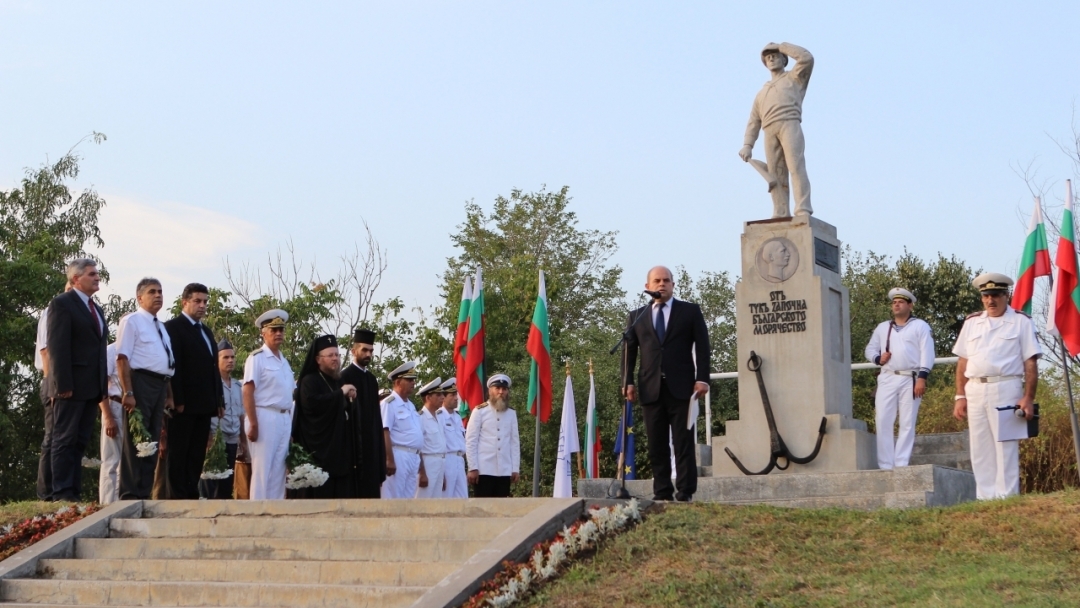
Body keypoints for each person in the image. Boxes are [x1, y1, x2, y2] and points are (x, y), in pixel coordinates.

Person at [624, 266, 710, 502]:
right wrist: (628, 381)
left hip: (683, 388)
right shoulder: (637, 316)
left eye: (666, 280)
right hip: (651, 389)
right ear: (648, 287)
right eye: (657, 281)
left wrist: (702, 378)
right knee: (656, 445)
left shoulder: (689, 311)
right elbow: (629, 352)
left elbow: (703, 346)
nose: (662, 284)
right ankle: (662, 492)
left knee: (683, 443)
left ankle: (685, 492)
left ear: (673, 285)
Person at [953, 273, 1040, 500]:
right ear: (982, 298)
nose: (990, 300)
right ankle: (985, 499)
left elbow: (1030, 362)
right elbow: (962, 362)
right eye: (986, 296)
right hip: (975, 388)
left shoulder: (1021, 321)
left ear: (1006, 295)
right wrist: (959, 395)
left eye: (996, 295)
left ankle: (1007, 498)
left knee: (1006, 447)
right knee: (980, 448)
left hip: (1007, 387)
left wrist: (1028, 397)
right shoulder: (972, 323)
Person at [45, 259, 108, 502]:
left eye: (97, 273)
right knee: (64, 439)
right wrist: (63, 385)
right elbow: (58, 348)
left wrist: (102, 387)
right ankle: (60, 492)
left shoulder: (96, 309)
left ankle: (74, 491)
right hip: (70, 387)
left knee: (80, 441)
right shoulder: (62, 304)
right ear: (76, 279)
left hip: (91, 388)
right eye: (92, 274)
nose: (97, 277)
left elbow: (99, 351)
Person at [739, 42, 814, 218]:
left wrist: (782, 46)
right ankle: (780, 211)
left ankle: (802, 207)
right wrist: (748, 144)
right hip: (769, 129)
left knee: (795, 166)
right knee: (775, 174)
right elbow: (753, 121)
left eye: (775, 55)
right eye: (768, 57)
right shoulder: (761, 93)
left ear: (784, 58)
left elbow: (806, 58)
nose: (771, 58)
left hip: (789, 123)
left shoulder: (794, 78)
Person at [116, 278, 175, 500]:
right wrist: (128, 392)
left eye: (160, 291)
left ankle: (144, 493)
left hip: (160, 385)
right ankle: (130, 494)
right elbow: (122, 358)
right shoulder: (132, 321)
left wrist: (169, 394)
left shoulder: (160, 326)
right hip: (140, 383)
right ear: (140, 298)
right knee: (136, 440)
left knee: (151, 440)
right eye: (152, 292)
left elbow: (166, 363)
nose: (158, 295)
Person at [864, 288, 935, 470]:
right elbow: (870, 349)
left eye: (901, 302)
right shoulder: (883, 327)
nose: (896, 304)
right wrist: (878, 359)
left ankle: (901, 463)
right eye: (894, 302)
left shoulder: (920, 326)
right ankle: (886, 464)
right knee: (883, 420)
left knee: (907, 422)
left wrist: (922, 377)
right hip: (887, 377)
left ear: (910, 305)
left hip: (909, 377)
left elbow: (927, 353)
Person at [163, 283, 223, 499]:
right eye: (197, 301)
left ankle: (190, 494)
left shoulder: (206, 331)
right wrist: (176, 399)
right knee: (179, 452)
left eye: (205, 302)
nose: (202, 306)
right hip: (183, 404)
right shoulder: (173, 327)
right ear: (184, 302)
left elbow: (213, 368)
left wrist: (219, 400)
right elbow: (173, 366)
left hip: (205, 404)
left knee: (197, 453)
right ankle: (176, 498)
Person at [293, 334, 361, 498]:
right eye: (330, 355)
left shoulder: (337, 381)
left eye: (337, 355)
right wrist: (340, 394)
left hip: (339, 453)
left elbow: (343, 412)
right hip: (318, 453)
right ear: (318, 359)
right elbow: (313, 405)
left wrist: (350, 400)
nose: (335, 359)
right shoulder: (309, 381)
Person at [242, 309, 296, 500]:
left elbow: (289, 396)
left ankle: (276, 512)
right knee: (262, 468)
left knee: (279, 470)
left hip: (283, 417)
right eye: (273, 330)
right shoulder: (257, 358)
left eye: (281, 329)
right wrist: (253, 422)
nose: (278, 333)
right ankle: (257, 514)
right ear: (263, 333)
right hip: (264, 415)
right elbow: (247, 390)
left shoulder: (285, 362)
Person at [35, 278, 72, 502]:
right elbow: (46, 351)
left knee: (66, 438)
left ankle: (62, 488)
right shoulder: (53, 310)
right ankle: (46, 492)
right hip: (53, 381)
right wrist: (51, 384)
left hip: (68, 382)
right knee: (52, 437)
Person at [339, 328, 386, 498]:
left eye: (371, 351)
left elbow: (377, 421)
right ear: (354, 351)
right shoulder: (344, 376)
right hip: (354, 450)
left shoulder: (372, 380)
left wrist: (381, 460)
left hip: (372, 450)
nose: (368, 354)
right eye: (364, 350)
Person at [200, 339, 243, 499]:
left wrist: (242, 441)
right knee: (209, 483)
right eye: (225, 357)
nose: (230, 360)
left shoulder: (238, 386)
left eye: (232, 357)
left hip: (232, 440)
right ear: (216, 360)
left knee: (226, 484)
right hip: (214, 440)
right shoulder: (209, 384)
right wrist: (208, 440)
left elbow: (241, 416)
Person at [465, 374, 521, 498]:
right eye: (497, 388)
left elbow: (514, 442)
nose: (501, 392)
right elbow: (471, 441)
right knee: (482, 509)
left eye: (504, 389)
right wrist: (472, 467)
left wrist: (515, 468)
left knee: (501, 509)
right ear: (490, 391)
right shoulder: (479, 411)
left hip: (504, 470)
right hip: (484, 469)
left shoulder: (511, 413)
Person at [380, 362, 424, 499]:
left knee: (409, 499)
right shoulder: (389, 403)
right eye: (409, 380)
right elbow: (385, 431)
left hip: (413, 456)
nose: (413, 383)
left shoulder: (410, 405)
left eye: (414, 380)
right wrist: (389, 459)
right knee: (393, 497)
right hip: (398, 454)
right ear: (398, 382)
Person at [98, 343, 123, 504]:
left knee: (127, 463)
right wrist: (107, 416)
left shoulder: (138, 349)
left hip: (133, 409)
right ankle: (107, 504)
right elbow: (101, 386)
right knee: (111, 459)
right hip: (114, 405)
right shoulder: (111, 350)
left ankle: (123, 502)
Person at [415, 377, 447, 498]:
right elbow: (418, 448)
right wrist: (422, 472)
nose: (442, 398)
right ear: (428, 398)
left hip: (439, 462)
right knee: (423, 500)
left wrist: (443, 474)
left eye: (442, 394)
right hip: (427, 463)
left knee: (436, 503)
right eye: (438, 395)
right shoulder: (420, 418)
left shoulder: (438, 417)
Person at [439, 378, 468, 499]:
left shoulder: (457, 417)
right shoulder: (438, 416)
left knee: (462, 499)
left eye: (456, 394)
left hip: (459, 460)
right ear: (443, 397)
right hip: (447, 460)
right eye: (452, 395)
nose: (456, 398)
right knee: (446, 498)